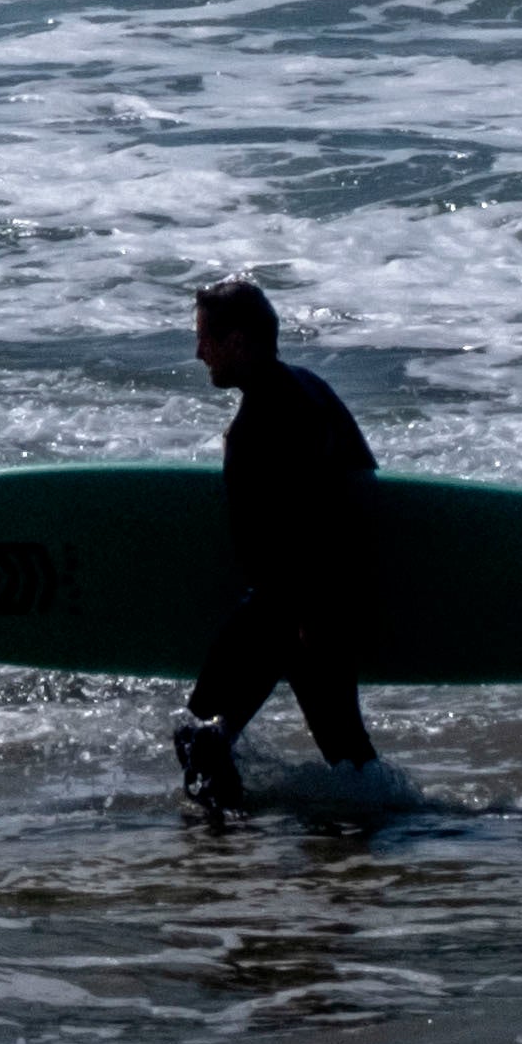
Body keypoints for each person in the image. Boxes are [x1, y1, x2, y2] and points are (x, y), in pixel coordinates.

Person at [176, 276, 382, 806]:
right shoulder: (307, 388)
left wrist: (308, 612)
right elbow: (361, 483)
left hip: (292, 605)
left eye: (206, 339)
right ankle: (381, 834)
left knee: (199, 735)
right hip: (323, 601)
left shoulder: (268, 419)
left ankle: (220, 849)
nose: (199, 352)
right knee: (345, 749)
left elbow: (313, 515)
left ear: (238, 341)